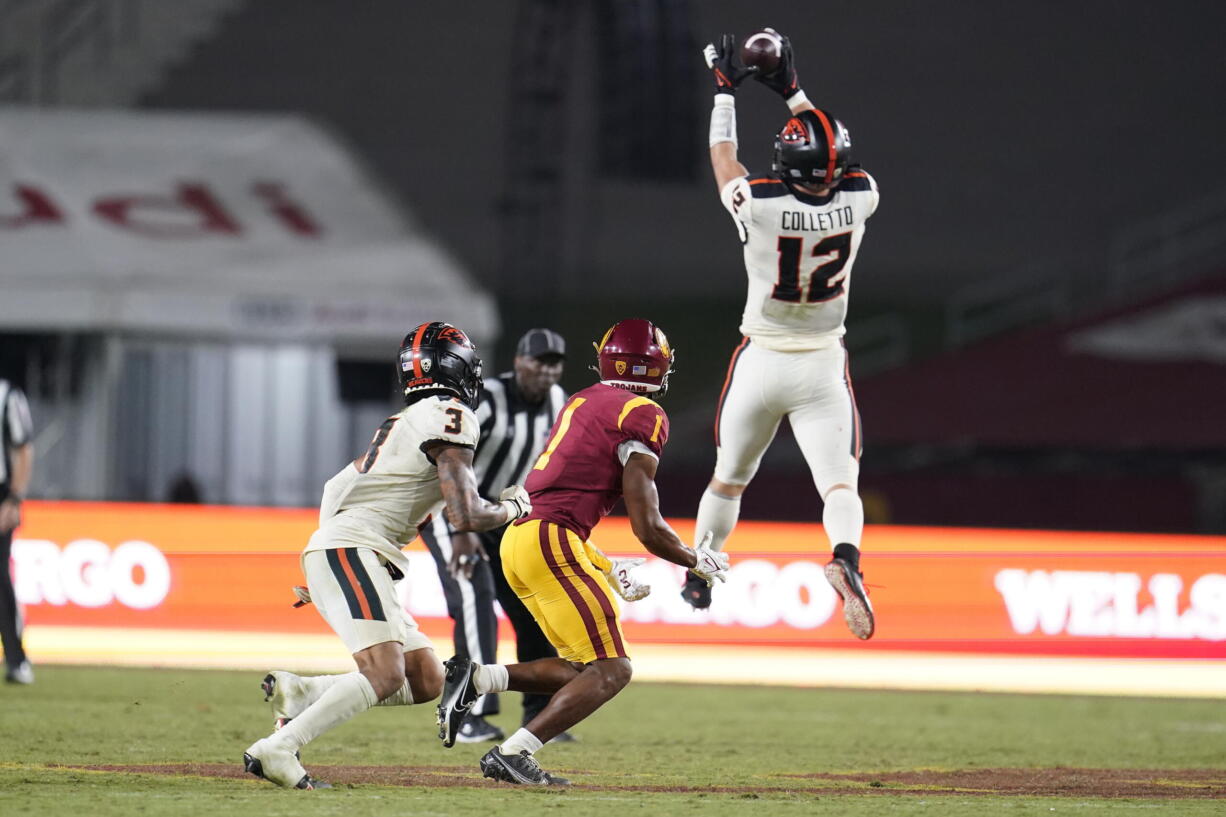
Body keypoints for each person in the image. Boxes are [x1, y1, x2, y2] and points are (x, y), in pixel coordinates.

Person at [435, 318, 730, 786]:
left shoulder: (583, 398)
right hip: (551, 537)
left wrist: (604, 564)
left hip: (522, 538)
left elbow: (563, 493)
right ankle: (514, 753)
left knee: (580, 666)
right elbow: (647, 526)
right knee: (613, 669)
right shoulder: (644, 414)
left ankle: (478, 680)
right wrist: (695, 559)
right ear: (653, 367)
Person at [242, 321, 534, 790]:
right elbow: (464, 513)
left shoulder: (406, 419)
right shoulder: (451, 413)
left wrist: (324, 562)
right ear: (457, 367)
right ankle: (277, 748)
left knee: (426, 677)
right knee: (384, 671)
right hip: (353, 550)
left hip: (348, 550)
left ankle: (302, 691)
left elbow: (334, 487)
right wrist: (513, 506)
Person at [683, 30, 879, 641]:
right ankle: (845, 557)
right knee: (839, 484)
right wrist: (792, 91)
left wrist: (725, 92)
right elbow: (829, 149)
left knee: (729, 477)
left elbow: (723, 157)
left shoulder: (761, 202)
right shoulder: (861, 196)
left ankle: (702, 571)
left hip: (761, 359)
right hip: (822, 363)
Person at [418, 328, 569, 743]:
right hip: (454, 509)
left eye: (554, 363)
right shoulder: (486, 400)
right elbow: (446, 461)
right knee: (474, 595)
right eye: (538, 360)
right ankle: (468, 714)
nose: (545, 370)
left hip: (504, 517)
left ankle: (542, 715)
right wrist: (460, 524)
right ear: (518, 361)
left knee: (534, 604)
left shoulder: (559, 403)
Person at [0, 378, 34, 685]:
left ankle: (16, 659)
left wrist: (14, 498)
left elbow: (23, 449)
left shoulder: (7, 396)